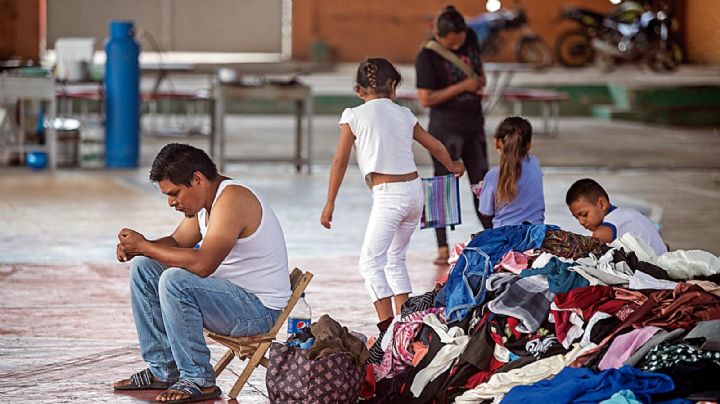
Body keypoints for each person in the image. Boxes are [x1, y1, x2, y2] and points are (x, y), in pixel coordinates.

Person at [112, 143, 291, 403]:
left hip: (257, 311)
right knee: (144, 266)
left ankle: (199, 379)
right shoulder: (204, 203)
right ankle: (164, 370)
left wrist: (146, 246)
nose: (171, 202)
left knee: (176, 281)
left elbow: (203, 264)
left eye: (174, 193)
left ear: (197, 179)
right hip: (230, 300)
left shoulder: (232, 200)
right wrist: (138, 249)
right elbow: (177, 242)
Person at [320, 58, 464, 323]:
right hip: (414, 192)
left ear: (358, 91)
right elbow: (435, 146)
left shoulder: (353, 115)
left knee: (370, 263)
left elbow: (339, 161)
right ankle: (406, 324)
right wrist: (453, 165)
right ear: (394, 87)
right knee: (395, 259)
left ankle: (387, 329)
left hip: (389, 196)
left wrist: (330, 202)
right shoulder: (404, 114)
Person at [415, 4, 491, 265]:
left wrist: (479, 81)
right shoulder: (427, 56)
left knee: (481, 183)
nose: (458, 46)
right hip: (445, 129)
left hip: (473, 124)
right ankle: (442, 247)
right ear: (440, 36)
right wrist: (463, 86)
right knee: (442, 186)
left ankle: (492, 234)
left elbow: (477, 68)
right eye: (452, 43)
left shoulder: (469, 38)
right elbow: (426, 98)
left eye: (460, 41)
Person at [566, 178, 668, 255]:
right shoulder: (628, 212)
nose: (581, 222)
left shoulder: (603, 232)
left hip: (655, 272)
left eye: (584, 215)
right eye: (577, 218)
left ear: (602, 204)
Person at [478, 116, 545, 228]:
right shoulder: (535, 164)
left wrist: (482, 193)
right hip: (535, 235)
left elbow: (485, 211)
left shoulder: (492, 176)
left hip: (503, 238)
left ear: (497, 143)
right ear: (529, 144)